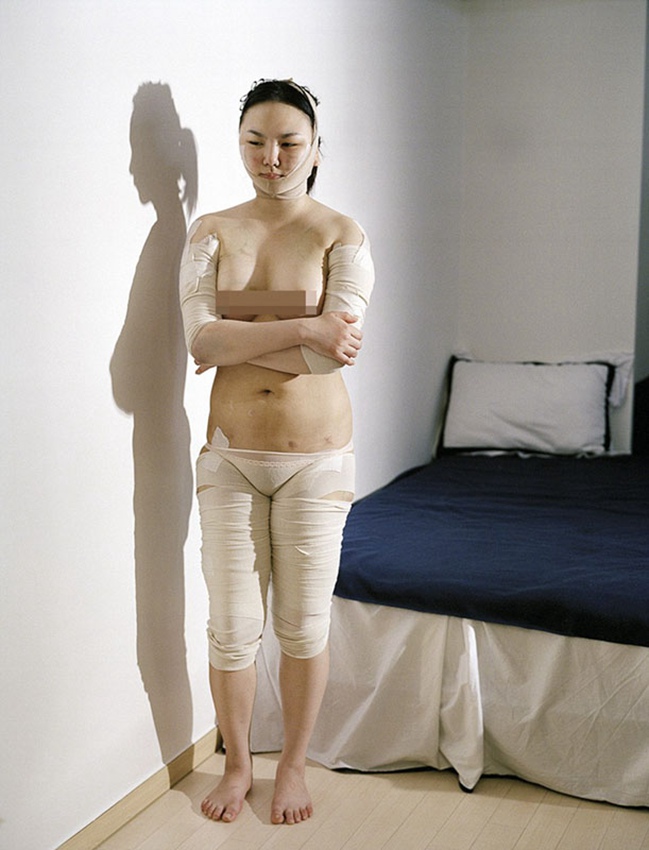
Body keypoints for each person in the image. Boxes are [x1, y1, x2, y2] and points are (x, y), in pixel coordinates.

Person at [178, 78, 374, 825]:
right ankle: (237, 765)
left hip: (315, 462)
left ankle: (291, 765)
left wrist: (238, 336)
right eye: (254, 141)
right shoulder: (211, 231)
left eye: (289, 142)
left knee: (302, 626)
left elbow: (331, 355)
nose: (270, 157)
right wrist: (302, 326)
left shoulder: (340, 234)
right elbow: (199, 340)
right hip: (228, 458)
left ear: (316, 148)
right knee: (231, 630)